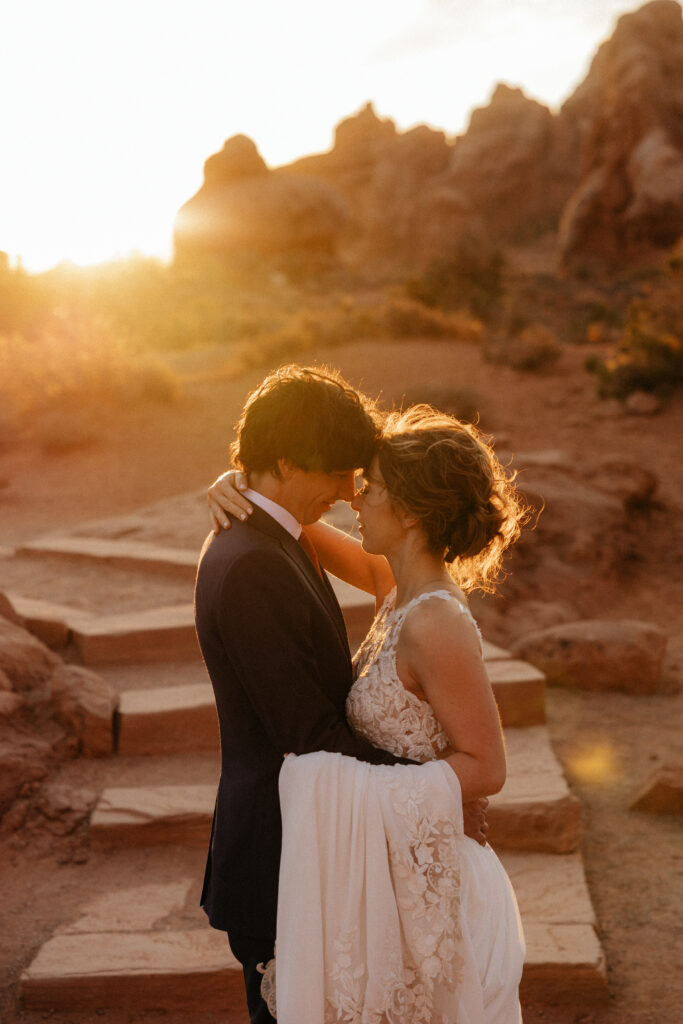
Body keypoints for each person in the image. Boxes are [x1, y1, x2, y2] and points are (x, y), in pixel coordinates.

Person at [209, 398, 528, 1023]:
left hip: (429, 876)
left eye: (372, 488)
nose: (355, 497)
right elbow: (288, 521)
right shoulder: (394, 581)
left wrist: (428, 794)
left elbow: (487, 767)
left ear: (409, 512)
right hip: (383, 863)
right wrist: (234, 485)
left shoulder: (435, 621)